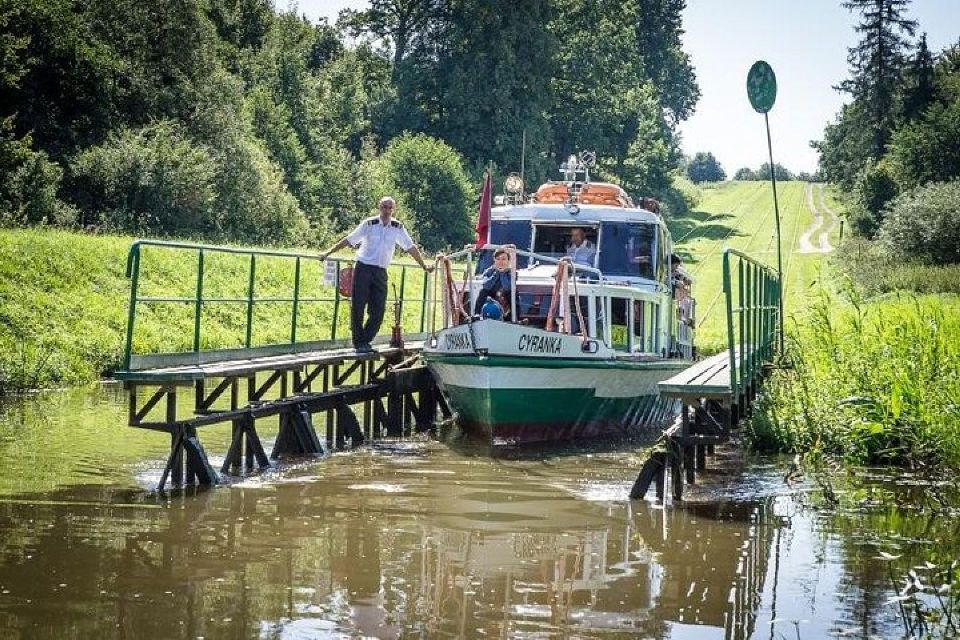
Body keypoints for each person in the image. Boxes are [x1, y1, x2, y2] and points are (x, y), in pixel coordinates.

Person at [319, 196, 433, 352]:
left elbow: (410, 247)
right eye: (384, 207)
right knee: (358, 306)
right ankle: (359, 343)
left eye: (390, 208)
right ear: (379, 208)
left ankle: (365, 340)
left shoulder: (397, 227)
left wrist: (424, 265)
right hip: (364, 268)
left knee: (378, 309)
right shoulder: (369, 224)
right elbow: (350, 239)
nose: (387, 211)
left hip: (380, 271)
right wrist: (328, 252)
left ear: (394, 210)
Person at [474, 247, 512, 317]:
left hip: (505, 298)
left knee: (513, 293)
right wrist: (496, 273)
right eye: (498, 259)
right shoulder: (489, 271)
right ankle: (477, 314)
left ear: (508, 261)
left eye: (503, 259)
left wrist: (503, 273)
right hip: (492, 297)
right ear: (494, 260)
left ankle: (514, 318)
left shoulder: (512, 272)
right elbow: (486, 285)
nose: (500, 261)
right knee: (483, 291)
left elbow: (507, 287)